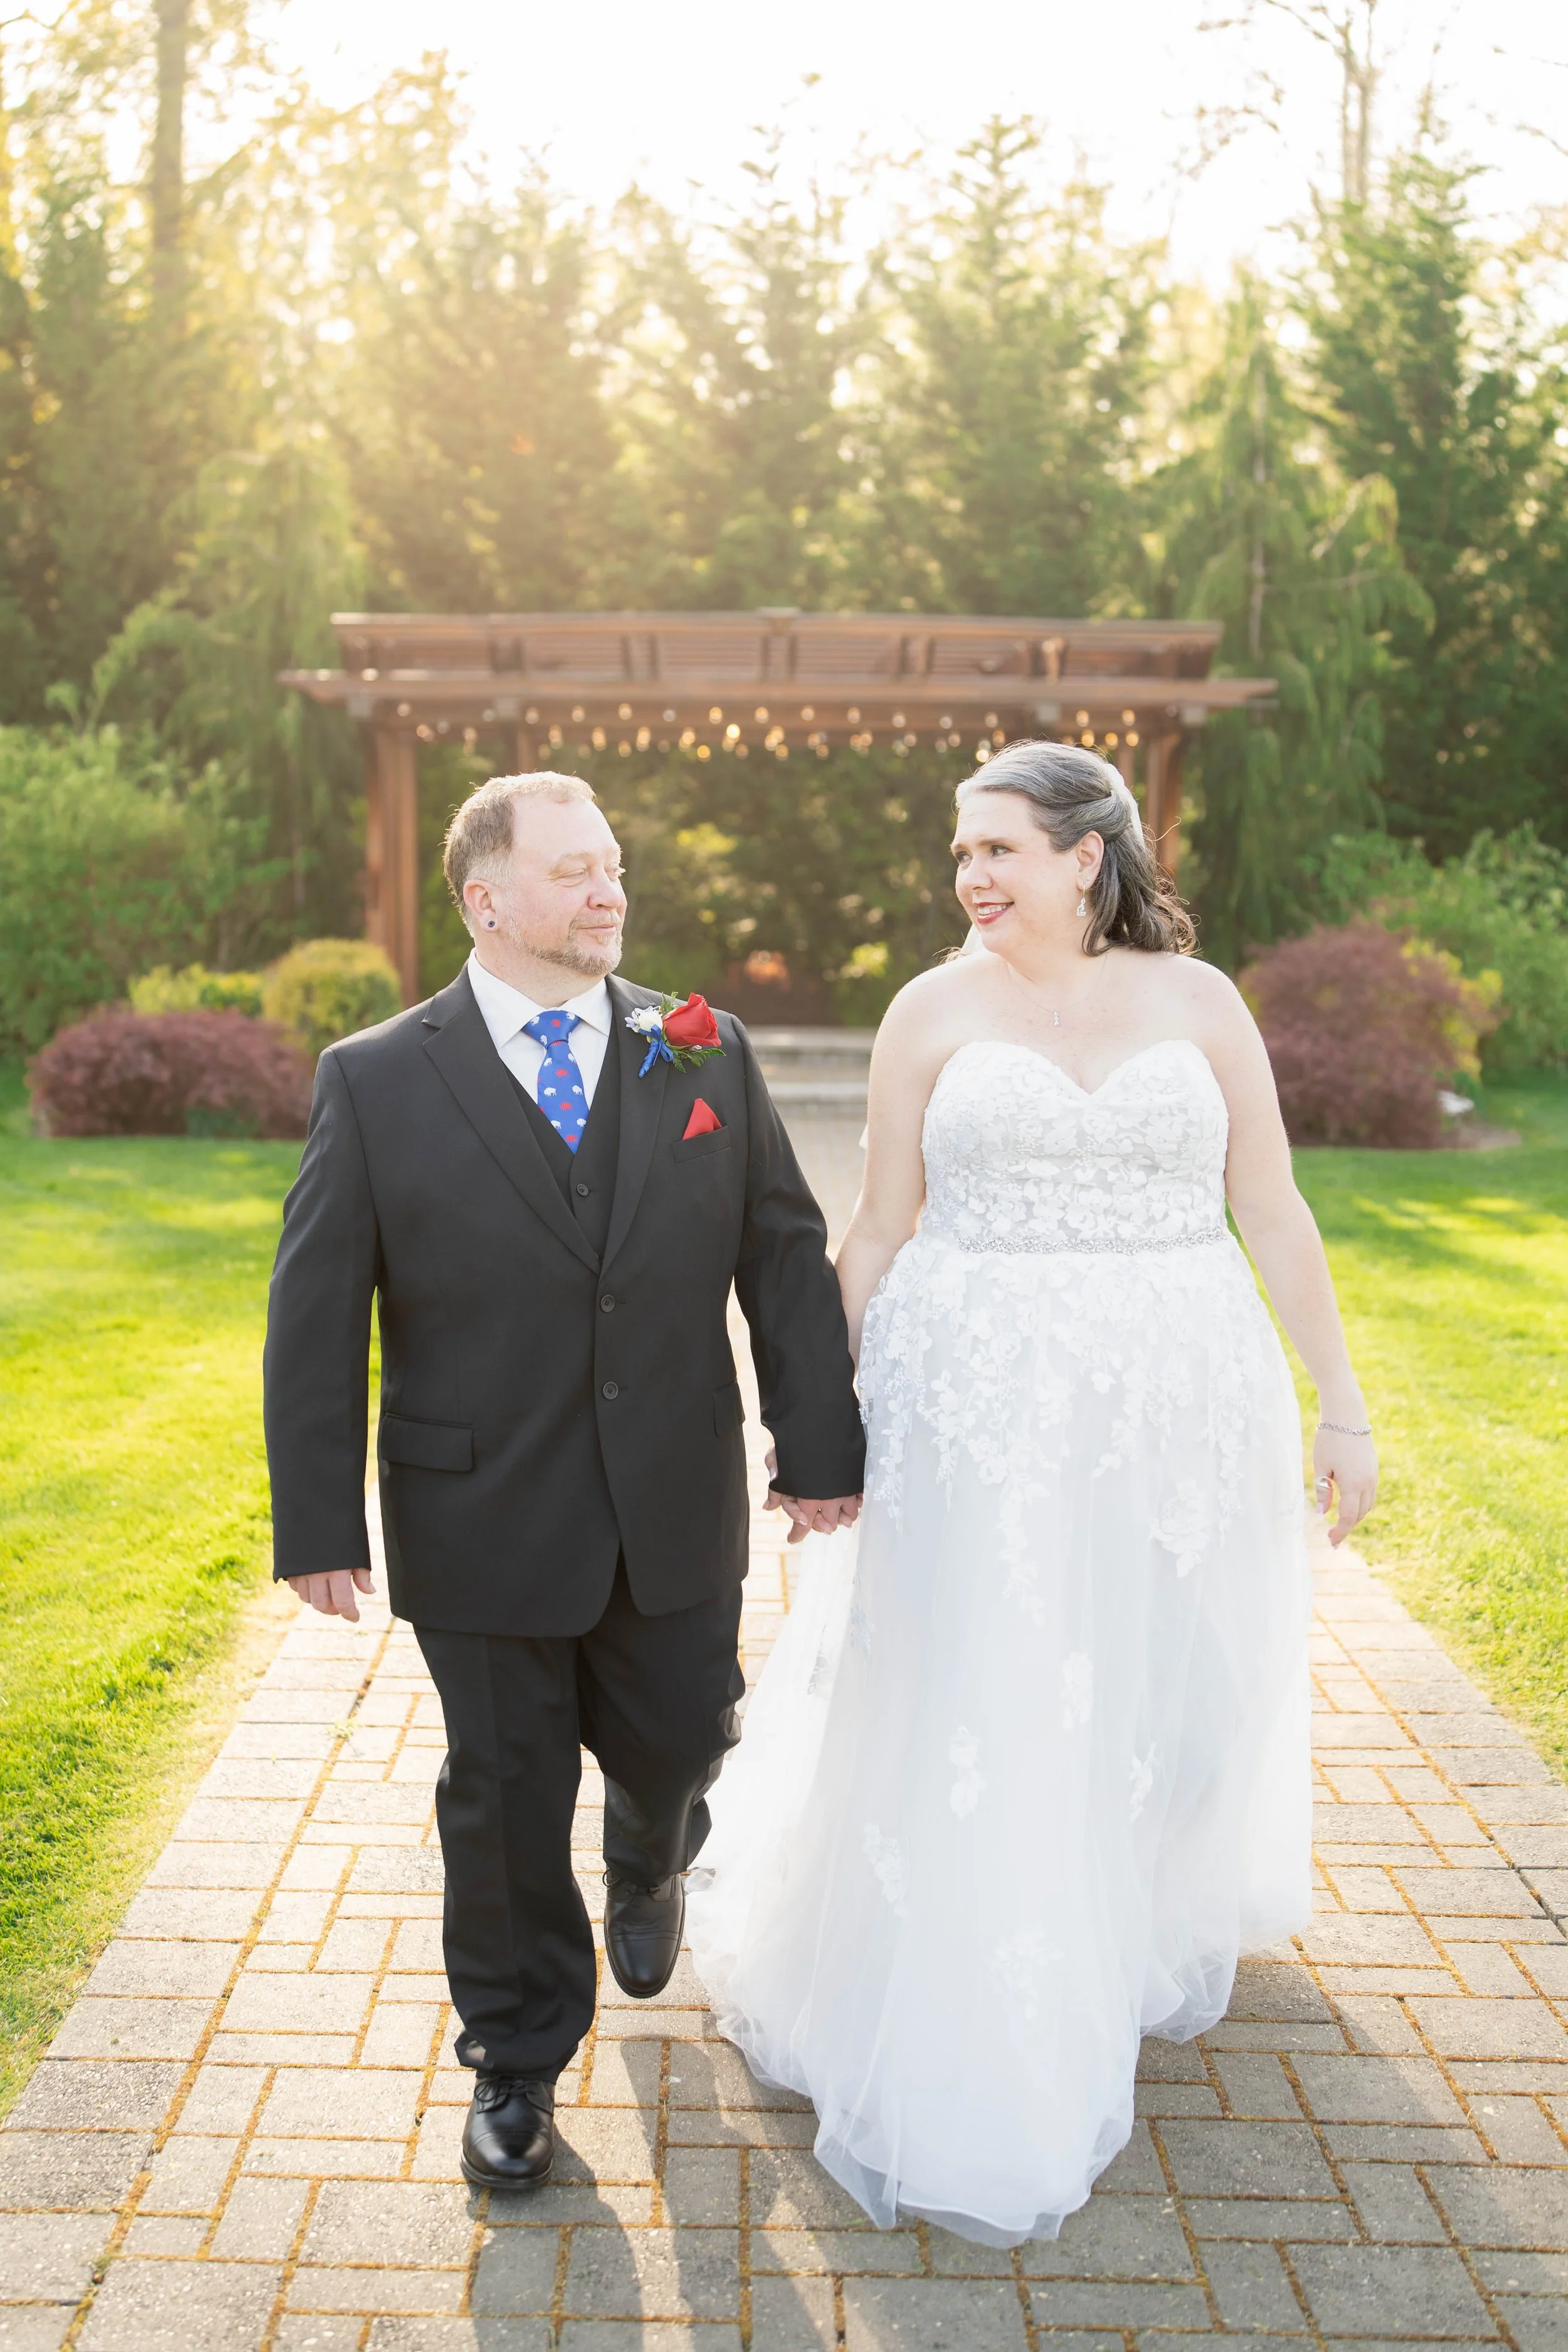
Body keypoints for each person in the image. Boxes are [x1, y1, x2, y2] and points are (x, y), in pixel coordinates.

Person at [686, 739, 1378, 2247]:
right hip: (974, 1409)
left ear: (1088, 855)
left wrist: (1342, 1404)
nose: (969, 879)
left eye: (997, 848)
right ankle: (988, 1978)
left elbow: (1267, 1200)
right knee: (986, 1686)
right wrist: (817, 1429)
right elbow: (873, 1230)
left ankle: (1111, 1917)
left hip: (1179, 1405)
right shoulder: (928, 1011)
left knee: (1177, 1687)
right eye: (958, 854)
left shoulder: (1199, 1005)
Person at [263, 771, 864, 2191]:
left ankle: (650, 1858)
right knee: (505, 1789)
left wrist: (818, 1443)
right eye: (573, 872)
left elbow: (779, 1246)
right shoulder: (377, 1076)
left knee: (679, 1737)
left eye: (613, 869)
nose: (609, 893)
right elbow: (314, 1307)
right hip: (475, 1509)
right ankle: (517, 2061)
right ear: (484, 898)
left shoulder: (697, 1052)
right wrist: (315, 1521)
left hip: (671, 1496)